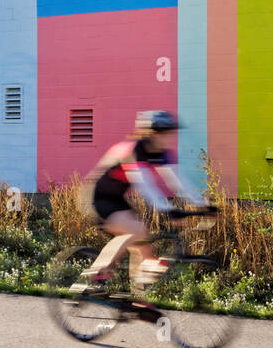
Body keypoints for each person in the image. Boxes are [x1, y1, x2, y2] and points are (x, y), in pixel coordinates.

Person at [78, 110, 208, 295]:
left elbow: (178, 181)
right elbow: (145, 185)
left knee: (145, 246)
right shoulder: (132, 151)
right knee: (135, 231)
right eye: (166, 134)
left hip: (117, 199)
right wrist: (167, 209)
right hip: (96, 196)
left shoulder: (160, 153)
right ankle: (94, 278)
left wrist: (201, 204)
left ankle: (137, 298)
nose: (170, 138)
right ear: (152, 134)